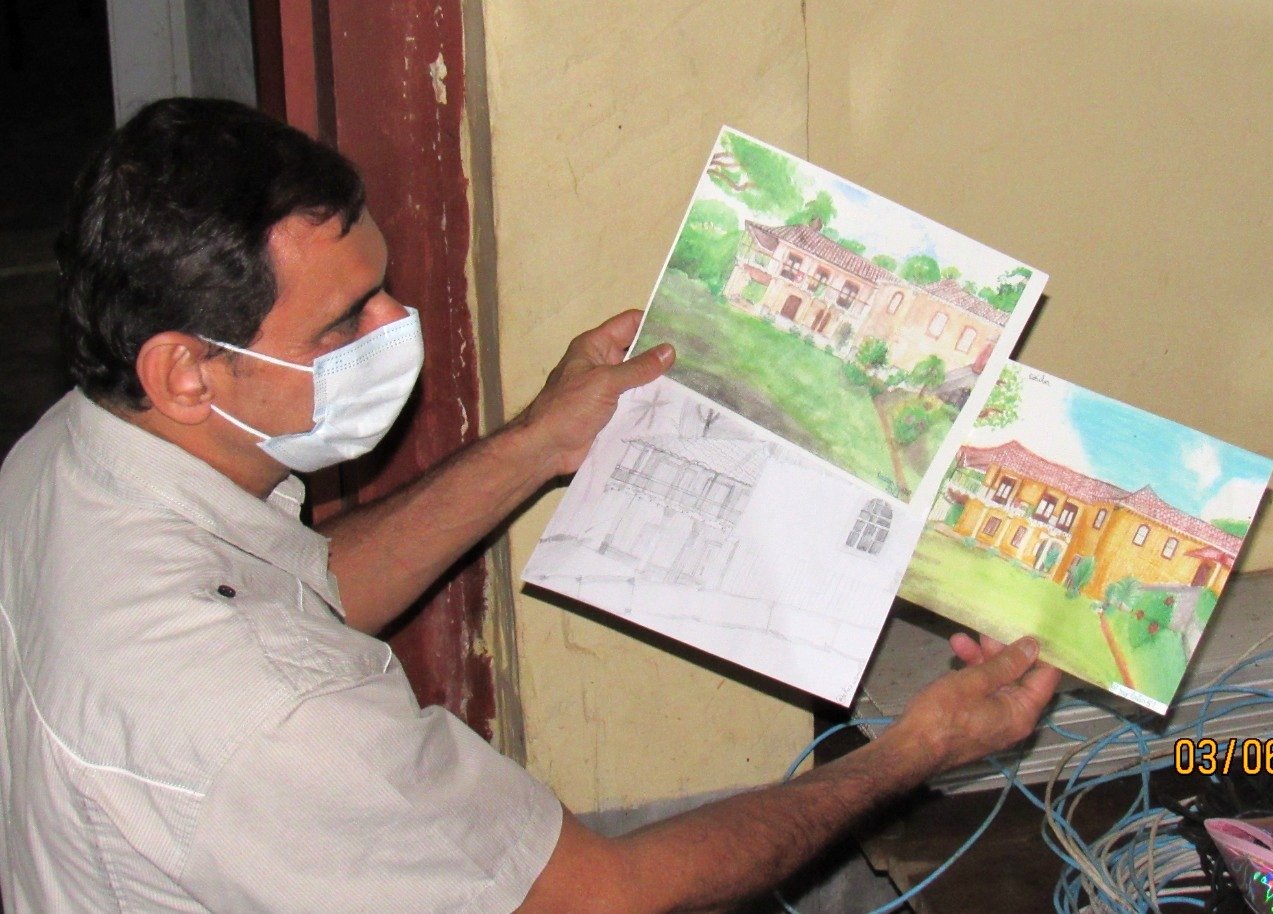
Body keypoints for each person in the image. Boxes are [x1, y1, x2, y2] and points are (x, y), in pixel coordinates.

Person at [0, 97, 1059, 913]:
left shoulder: (69, 456)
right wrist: (913, 750)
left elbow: (309, 586)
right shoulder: (269, 717)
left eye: (383, 284)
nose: (397, 323)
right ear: (188, 371)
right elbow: (603, 897)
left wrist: (539, 442)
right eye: (344, 320)